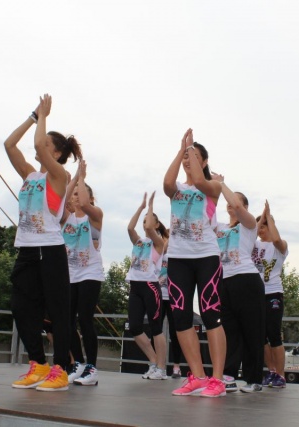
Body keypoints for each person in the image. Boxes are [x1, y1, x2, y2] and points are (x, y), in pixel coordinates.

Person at [5, 94, 81, 391]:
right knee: (20, 307)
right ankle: (38, 364)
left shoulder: (59, 175)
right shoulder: (31, 175)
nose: (41, 146)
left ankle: (60, 369)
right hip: (26, 249)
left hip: (50, 250)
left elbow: (37, 145)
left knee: (59, 312)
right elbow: (9, 145)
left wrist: (45, 116)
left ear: (57, 154)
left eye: (48, 145)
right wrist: (33, 117)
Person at [163, 128, 226, 397]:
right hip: (178, 258)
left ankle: (217, 380)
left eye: (194, 156)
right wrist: (182, 150)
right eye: (186, 158)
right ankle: (198, 376)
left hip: (206, 256)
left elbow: (200, 180)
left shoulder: (213, 187)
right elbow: (167, 183)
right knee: (180, 317)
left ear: (204, 161)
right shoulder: (177, 190)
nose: (188, 160)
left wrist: (190, 147)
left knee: (211, 314)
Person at [214, 175, 265, 393]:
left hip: (247, 280)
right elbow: (206, 214)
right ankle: (229, 375)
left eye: (235, 200)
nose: (230, 203)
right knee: (229, 331)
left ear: (244, 206)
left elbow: (235, 204)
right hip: (224, 281)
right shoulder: (220, 227)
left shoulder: (249, 224)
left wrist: (220, 183)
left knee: (252, 330)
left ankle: (254, 379)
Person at [62, 159, 104, 386]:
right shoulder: (65, 218)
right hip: (70, 274)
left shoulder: (94, 215)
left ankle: (92, 368)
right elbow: (60, 201)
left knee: (85, 319)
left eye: (81, 193)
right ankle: (78, 363)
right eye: (75, 193)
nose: (77, 197)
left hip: (90, 273)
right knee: (67, 321)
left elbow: (86, 205)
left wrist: (81, 178)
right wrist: (72, 182)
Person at [125, 191, 169, 380]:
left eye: (148, 221)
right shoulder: (138, 241)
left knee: (156, 327)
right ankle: (153, 361)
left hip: (150, 286)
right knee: (134, 327)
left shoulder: (158, 243)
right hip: (135, 287)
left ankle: (161, 368)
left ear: (156, 225)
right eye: (143, 221)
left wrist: (150, 206)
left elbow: (150, 227)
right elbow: (129, 227)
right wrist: (141, 207)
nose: (145, 224)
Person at [252, 200, 288, 388]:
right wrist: (259, 221)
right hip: (256, 293)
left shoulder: (279, 246)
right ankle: (271, 371)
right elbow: (247, 236)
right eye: (259, 226)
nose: (260, 230)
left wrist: (269, 216)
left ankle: (281, 375)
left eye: (263, 226)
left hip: (273, 292)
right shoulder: (254, 245)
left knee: (274, 334)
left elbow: (276, 240)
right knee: (261, 336)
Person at [158, 239, 184, 379]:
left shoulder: (176, 256)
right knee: (156, 331)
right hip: (160, 296)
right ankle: (158, 365)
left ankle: (176, 367)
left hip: (174, 298)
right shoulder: (159, 255)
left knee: (175, 333)